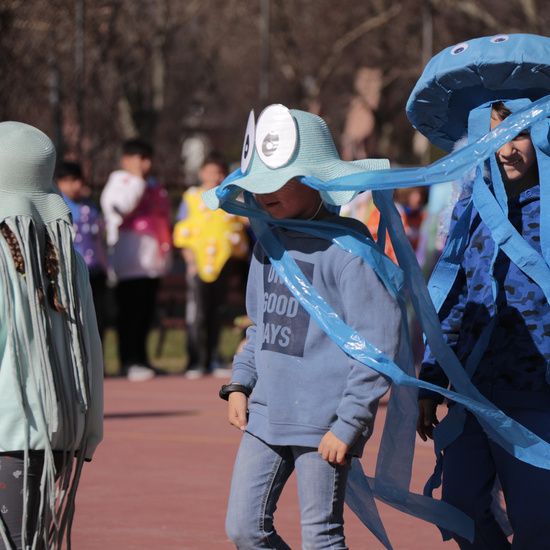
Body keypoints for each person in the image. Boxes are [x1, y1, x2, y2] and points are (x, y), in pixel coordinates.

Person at [204, 105, 403, 549]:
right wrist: (241, 382)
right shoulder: (266, 243)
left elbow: (377, 343)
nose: (263, 194)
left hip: (326, 421)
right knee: (244, 528)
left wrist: (351, 422)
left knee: (321, 538)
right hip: (267, 413)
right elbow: (260, 325)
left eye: (278, 182)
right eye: (257, 185)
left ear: (317, 180)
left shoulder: (350, 251)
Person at [410, 34, 550, 549]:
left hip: (538, 395)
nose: (509, 148)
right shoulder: (472, 214)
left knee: (539, 523)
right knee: (460, 510)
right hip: (471, 392)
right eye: (496, 134)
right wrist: (431, 379)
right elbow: (454, 301)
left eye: (522, 133)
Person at [0, 122, 103, 549]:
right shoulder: (68, 257)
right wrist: (88, 431)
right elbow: (91, 352)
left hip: (6, 435)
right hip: (58, 431)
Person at [173, 152, 250, 378]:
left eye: (219, 172)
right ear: (201, 173)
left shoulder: (231, 197)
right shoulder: (192, 196)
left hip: (223, 262)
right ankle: (195, 360)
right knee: (197, 313)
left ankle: (213, 358)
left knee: (218, 311)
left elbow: (244, 221)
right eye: (211, 171)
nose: (215, 176)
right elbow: (182, 229)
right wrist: (189, 259)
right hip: (198, 263)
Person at [100, 139, 172, 381]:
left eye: (147, 159)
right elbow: (121, 207)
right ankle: (127, 360)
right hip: (129, 261)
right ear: (126, 160)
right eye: (139, 158)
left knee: (145, 314)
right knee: (129, 313)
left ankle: (142, 359)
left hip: (150, 262)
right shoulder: (120, 182)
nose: (145, 164)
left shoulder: (153, 184)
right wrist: (138, 182)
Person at [55, 161, 109, 343]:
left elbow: (99, 237)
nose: (76, 186)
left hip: (94, 269)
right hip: (71, 270)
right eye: (70, 181)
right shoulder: (57, 206)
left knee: (98, 317)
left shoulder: (89, 206)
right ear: (59, 182)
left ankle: (98, 361)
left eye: (79, 181)